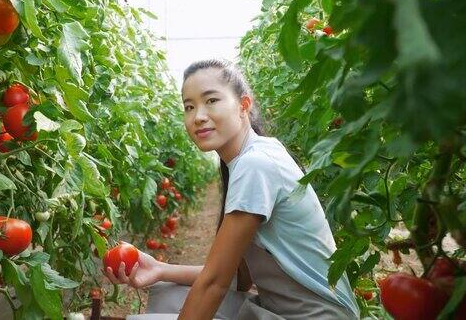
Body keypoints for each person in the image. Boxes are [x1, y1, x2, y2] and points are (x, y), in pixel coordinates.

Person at [103, 59, 360, 320]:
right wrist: (160, 269)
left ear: (243, 106)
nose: (198, 116)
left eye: (211, 100)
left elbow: (215, 282)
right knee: (167, 292)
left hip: (316, 317)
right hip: (286, 311)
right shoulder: (252, 157)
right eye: (189, 107)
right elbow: (241, 278)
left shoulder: (255, 165)